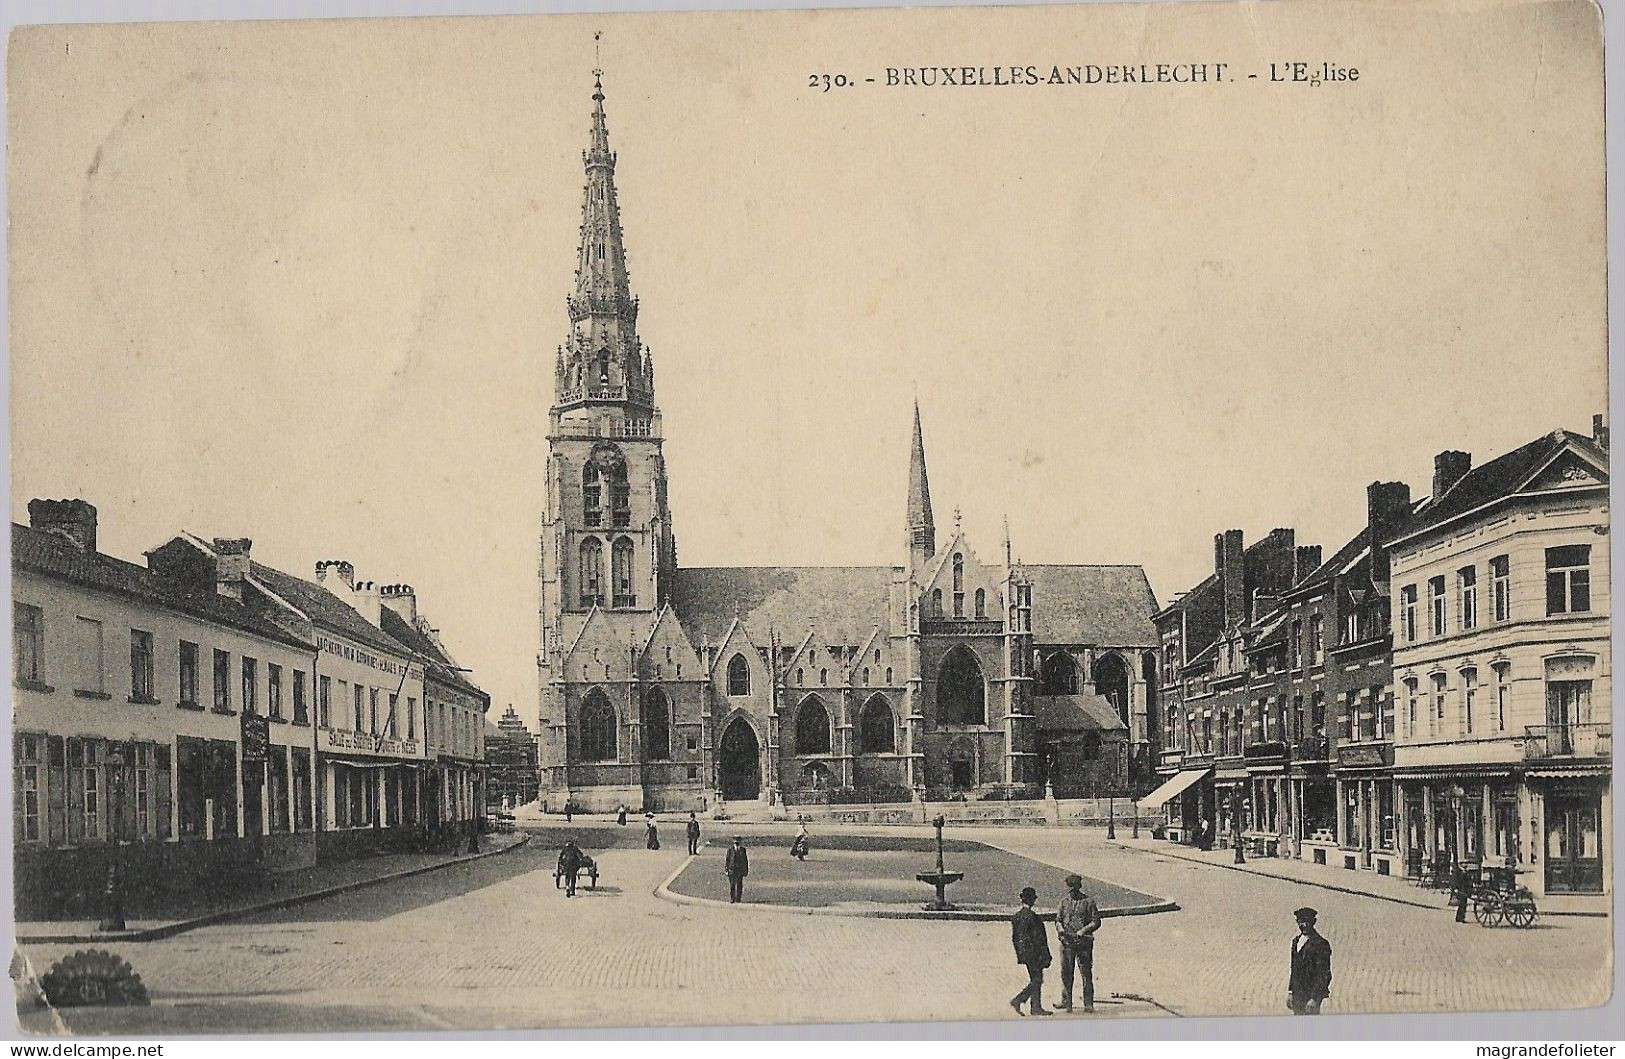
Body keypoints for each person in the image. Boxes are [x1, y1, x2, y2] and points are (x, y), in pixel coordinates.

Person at [1055, 873, 1102, 1013]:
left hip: (1083, 943)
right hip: (1067, 942)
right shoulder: (1063, 902)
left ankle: (1088, 1003)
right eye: (1070, 888)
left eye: (1074, 887)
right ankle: (1066, 1002)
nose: (1072, 890)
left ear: (1079, 887)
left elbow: (1096, 921)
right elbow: (1058, 920)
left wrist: (1083, 931)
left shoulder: (1089, 902)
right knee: (1066, 973)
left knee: (1086, 973)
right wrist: (1060, 929)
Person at [1009, 886, 1054, 1016]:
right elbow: (1039, 939)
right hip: (1035, 954)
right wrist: (1045, 955)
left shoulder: (1017, 916)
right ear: (1032, 900)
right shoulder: (1033, 917)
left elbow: (1015, 938)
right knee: (1037, 979)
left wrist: (1020, 954)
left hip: (1025, 954)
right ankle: (1019, 1000)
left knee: (1035, 978)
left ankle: (1035, 1007)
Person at [1287, 906, 1333, 1015]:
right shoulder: (1295, 942)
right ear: (1297, 922)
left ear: (1314, 922)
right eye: (1301, 922)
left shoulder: (1321, 944)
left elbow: (1324, 974)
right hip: (1297, 994)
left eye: (1307, 921)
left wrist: (1315, 998)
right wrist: (1290, 991)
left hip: (1311, 997)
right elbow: (1294, 970)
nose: (1304, 925)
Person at [724, 836, 750, 903]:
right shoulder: (730, 850)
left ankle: (738, 898)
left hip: (739, 870)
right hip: (732, 870)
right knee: (732, 885)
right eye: (735, 841)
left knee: (739, 884)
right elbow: (727, 860)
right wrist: (726, 869)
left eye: (738, 841)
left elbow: (745, 860)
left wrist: (746, 870)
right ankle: (732, 898)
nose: (736, 843)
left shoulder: (743, 850)